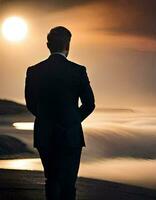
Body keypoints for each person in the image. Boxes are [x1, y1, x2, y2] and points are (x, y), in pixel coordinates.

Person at [25, 26, 95, 200]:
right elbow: (89, 104)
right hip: (70, 135)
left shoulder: (34, 71)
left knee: (51, 180)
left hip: (45, 133)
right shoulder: (78, 71)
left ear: (48, 46)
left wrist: (47, 119)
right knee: (68, 184)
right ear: (68, 45)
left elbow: (31, 104)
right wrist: (71, 120)